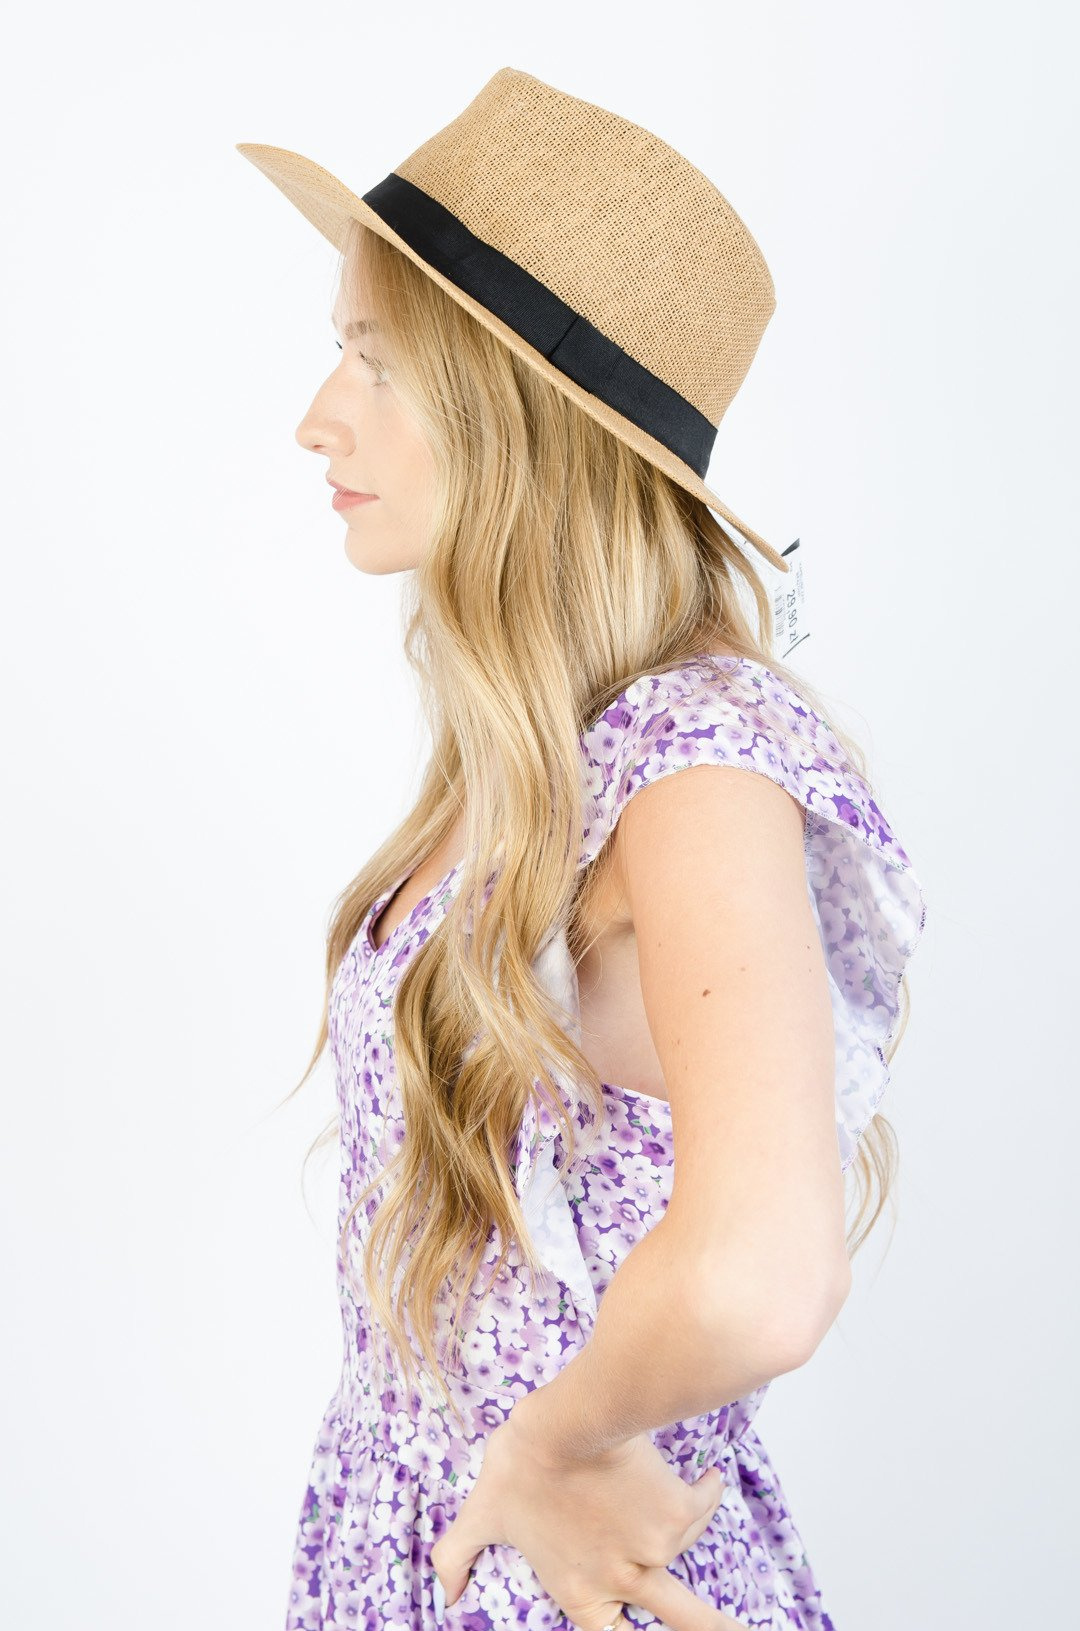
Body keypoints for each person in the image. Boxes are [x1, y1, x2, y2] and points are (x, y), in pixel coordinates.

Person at [238, 67, 928, 1631]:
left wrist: (552, 1445)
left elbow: (767, 1269)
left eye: (375, 361)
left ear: (520, 418)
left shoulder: (696, 759)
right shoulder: (537, 760)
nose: (319, 416)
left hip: (573, 1588)